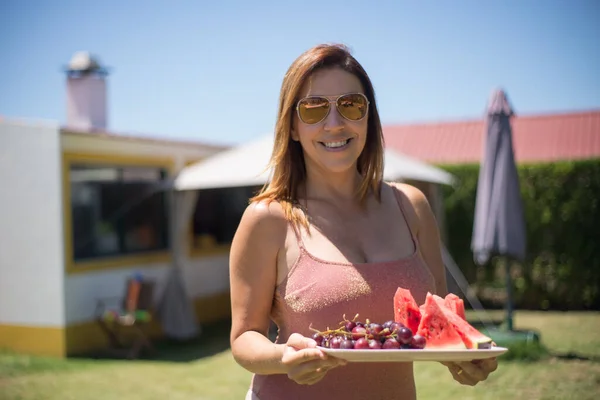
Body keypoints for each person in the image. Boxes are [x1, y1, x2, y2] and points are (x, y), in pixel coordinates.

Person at [229, 43, 498, 400]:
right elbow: (244, 338)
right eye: (313, 109)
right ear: (292, 127)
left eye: (351, 105)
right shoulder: (267, 219)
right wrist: (283, 357)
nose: (335, 123)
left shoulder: (412, 206)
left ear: (368, 117)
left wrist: (462, 356)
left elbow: (434, 321)